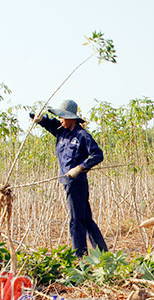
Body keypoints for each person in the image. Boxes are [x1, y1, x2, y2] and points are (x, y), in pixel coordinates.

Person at [30, 100, 108, 257]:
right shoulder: (61, 131)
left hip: (77, 183)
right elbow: (47, 122)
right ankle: (104, 254)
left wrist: (80, 168)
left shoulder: (82, 136)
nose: (60, 120)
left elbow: (97, 154)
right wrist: (38, 118)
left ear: (72, 118)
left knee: (76, 220)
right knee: (85, 219)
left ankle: (79, 257)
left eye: (63, 117)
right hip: (67, 182)